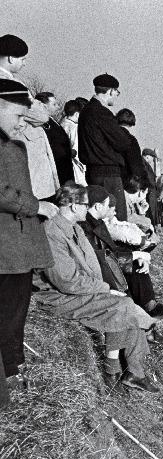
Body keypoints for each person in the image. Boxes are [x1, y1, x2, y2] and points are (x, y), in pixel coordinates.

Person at [34, 183, 162, 393]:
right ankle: (115, 368)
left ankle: (134, 371)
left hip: (78, 288)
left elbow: (91, 267)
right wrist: (103, 289)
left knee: (125, 303)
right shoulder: (51, 232)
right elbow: (65, 281)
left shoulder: (75, 228)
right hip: (57, 296)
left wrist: (104, 289)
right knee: (122, 306)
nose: (88, 209)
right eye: (85, 205)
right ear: (74, 206)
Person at [0, 79, 56, 390]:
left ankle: (15, 365)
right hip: (6, 246)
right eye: (19, 117)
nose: (23, 124)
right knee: (8, 313)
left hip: (17, 246)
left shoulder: (11, 142)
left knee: (17, 308)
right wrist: (37, 206)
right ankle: (9, 375)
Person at [80, 184, 163, 319]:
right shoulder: (85, 226)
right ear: (97, 206)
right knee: (133, 261)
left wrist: (138, 256)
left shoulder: (96, 223)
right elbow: (100, 257)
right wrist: (136, 255)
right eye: (108, 206)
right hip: (99, 270)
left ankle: (149, 306)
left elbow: (112, 249)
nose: (111, 211)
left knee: (136, 262)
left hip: (107, 264)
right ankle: (146, 311)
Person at [78, 73, 131, 220]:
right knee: (115, 217)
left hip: (93, 171)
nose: (116, 96)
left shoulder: (85, 111)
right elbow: (123, 142)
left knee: (98, 216)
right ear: (110, 91)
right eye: (116, 92)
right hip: (108, 173)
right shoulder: (102, 113)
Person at [19, 99, 60, 202]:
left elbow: (42, 116)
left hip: (44, 182)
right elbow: (42, 116)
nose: (42, 106)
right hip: (33, 186)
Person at [36, 92, 74, 186]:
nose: (57, 107)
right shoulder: (41, 124)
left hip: (64, 166)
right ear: (44, 105)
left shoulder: (52, 121)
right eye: (54, 104)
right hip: (56, 169)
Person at [59, 99, 86, 185]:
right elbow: (76, 148)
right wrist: (83, 166)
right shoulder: (74, 127)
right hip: (75, 166)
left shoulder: (60, 124)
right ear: (77, 114)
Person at [141, 148, 160, 226]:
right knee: (150, 211)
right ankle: (151, 227)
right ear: (147, 156)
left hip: (150, 191)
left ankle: (152, 227)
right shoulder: (143, 164)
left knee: (152, 211)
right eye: (152, 157)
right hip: (148, 191)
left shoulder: (145, 164)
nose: (152, 160)